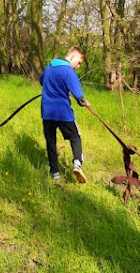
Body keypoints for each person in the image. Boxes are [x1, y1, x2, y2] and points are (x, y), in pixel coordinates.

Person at [39, 46, 91, 183]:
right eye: (79, 62)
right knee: (75, 136)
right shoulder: (68, 71)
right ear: (72, 57)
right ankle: (77, 163)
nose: (78, 66)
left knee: (51, 142)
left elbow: (41, 81)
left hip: (47, 112)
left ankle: (55, 174)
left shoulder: (50, 67)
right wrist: (85, 103)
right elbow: (79, 96)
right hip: (63, 113)